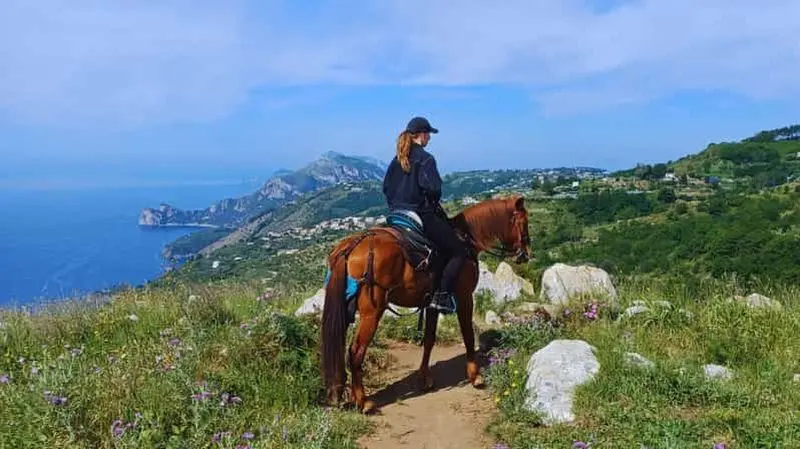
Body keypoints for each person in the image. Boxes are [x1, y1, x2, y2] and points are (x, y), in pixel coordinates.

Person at [382, 116, 467, 314]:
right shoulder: (426, 158)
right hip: (420, 215)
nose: (429, 137)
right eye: (428, 134)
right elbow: (434, 189)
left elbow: (386, 188)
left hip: (396, 216)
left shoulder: (396, 160)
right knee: (458, 251)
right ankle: (442, 295)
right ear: (420, 135)